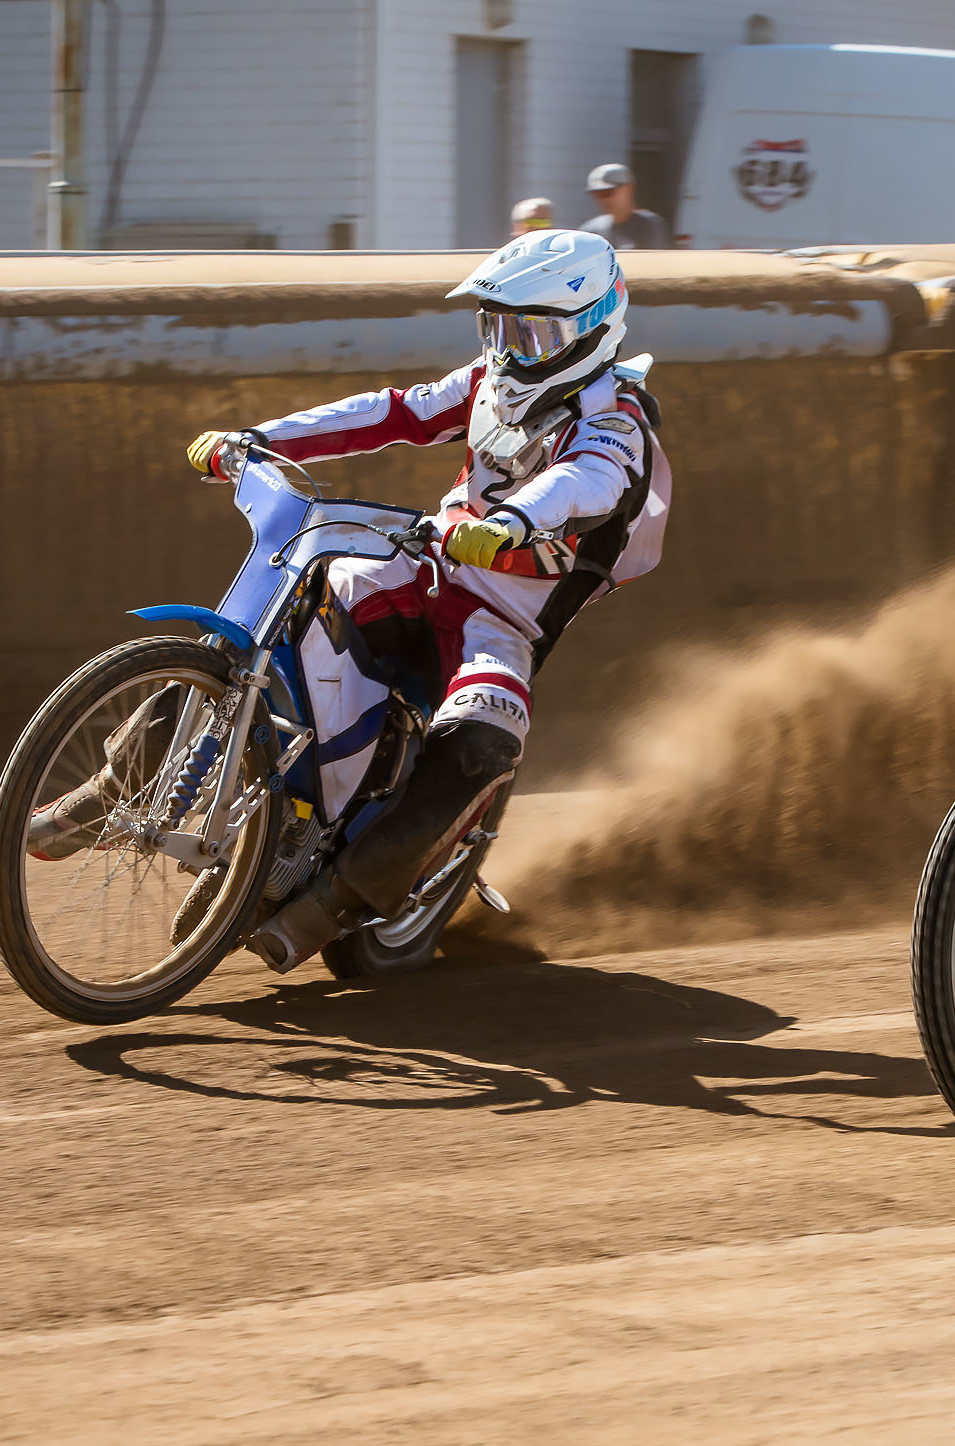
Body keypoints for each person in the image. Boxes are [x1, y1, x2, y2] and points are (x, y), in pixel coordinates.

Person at [184, 228, 670, 972]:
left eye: (533, 331)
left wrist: (511, 521)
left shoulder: (615, 420)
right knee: (286, 610)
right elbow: (390, 412)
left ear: (594, 328)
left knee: (484, 741)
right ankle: (125, 775)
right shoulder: (485, 382)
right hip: (424, 567)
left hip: (502, 622)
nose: (512, 349)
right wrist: (258, 440)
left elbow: (586, 483)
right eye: (500, 327)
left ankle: (333, 902)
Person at [581, 163, 670, 250]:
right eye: (598, 194)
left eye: (607, 192)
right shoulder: (592, 231)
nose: (603, 200)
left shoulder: (649, 226)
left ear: (629, 188)